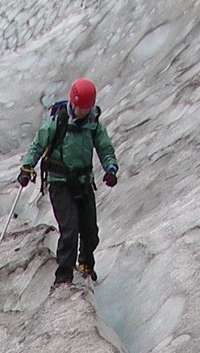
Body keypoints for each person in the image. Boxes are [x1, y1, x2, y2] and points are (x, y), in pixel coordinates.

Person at [17, 78, 119, 289]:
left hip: (83, 182)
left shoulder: (94, 125)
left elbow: (105, 149)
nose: (81, 110)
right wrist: (27, 168)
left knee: (90, 231)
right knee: (70, 228)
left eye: (85, 107)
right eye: (79, 106)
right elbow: (38, 145)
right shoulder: (58, 122)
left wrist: (110, 168)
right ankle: (63, 277)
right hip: (60, 183)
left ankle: (86, 266)